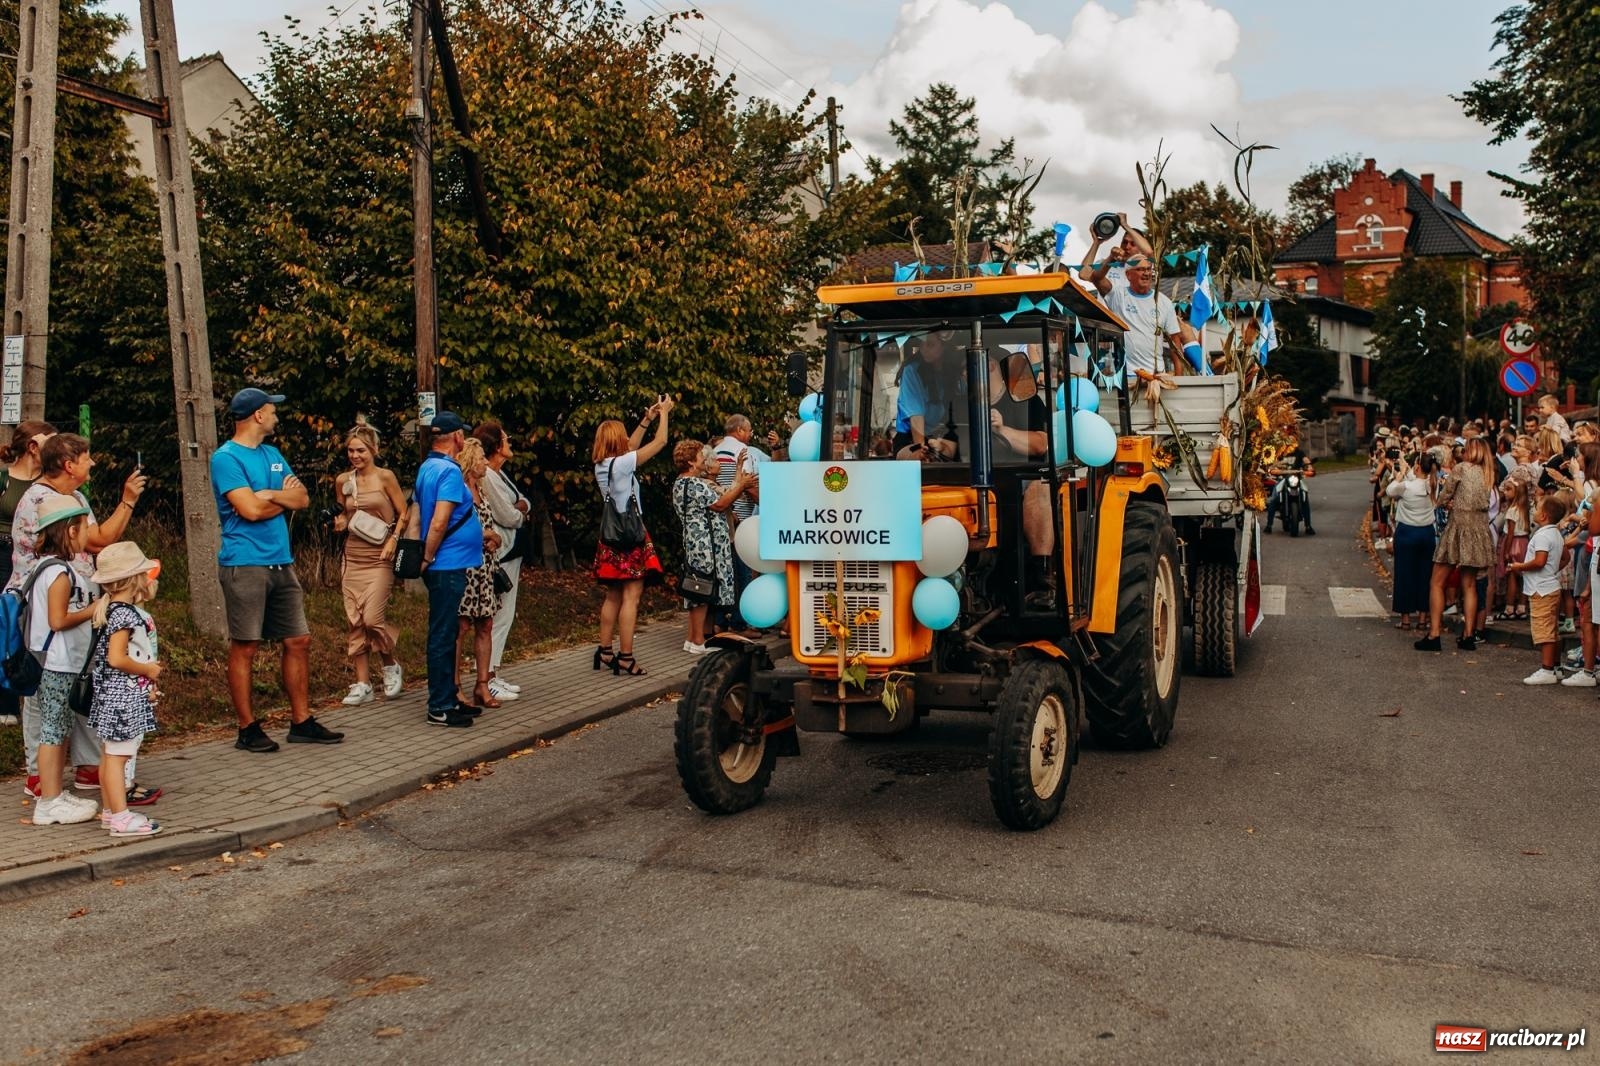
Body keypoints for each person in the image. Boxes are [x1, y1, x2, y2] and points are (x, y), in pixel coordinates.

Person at [11, 432, 148, 797]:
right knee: (45, 697)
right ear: (69, 465)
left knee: (83, 679)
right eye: (87, 457)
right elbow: (98, 539)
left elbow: (95, 536)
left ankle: (86, 767)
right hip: (50, 613)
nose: (92, 463)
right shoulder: (44, 500)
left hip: (77, 602)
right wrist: (128, 501)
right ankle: (41, 778)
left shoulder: (74, 496)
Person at [211, 387, 344, 752]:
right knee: (246, 645)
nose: (276, 415)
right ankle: (247, 728)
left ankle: (301, 721)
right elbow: (248, 511)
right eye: (272, 410)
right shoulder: (226, 458)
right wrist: (272, 499)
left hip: (280, 561)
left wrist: (267, 496)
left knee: (298, 639)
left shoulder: (272, 454)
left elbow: (301, 498)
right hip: (245, 562)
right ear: (257, 415)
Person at [24, 496, 100, 827]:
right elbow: (57, 620)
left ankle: (52, 794)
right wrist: (95, 610)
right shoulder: (57, 572)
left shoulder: (52, 568)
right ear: (70, 531)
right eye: (85, 527)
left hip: (60, 662)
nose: (88, 534)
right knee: (53, 730)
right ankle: (49, 801)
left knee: (59, 727)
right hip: (56, 663)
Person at [88, 541, 164, 837]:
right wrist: (148, 670)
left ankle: (110, 811)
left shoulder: (111, 610)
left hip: (110, 695)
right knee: (119, 758)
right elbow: (117, 658)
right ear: (134, 579)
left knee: (110, 756)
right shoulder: (127, 614)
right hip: (124, 698)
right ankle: (121, 817)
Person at [593, 397, 671, 676]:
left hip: (610, 537)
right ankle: (626, 656)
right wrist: (664, 415)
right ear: (617, 440)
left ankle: (604, 651)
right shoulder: (623, 464)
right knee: (631, 597)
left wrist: (645, 419)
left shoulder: (604, 464)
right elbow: (660, 443)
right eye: (623, 434)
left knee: (612, 594)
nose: (628, 436)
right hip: (631, 536)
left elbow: (630, 447)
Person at [414, 411, 483, 728]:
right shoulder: (449, 472)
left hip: (445, 562)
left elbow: (416, 513)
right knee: (443, 634)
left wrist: (419, 554)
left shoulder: (427, 467)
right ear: (456, 437)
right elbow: (440, 521)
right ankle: (439, 706)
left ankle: (451, 696)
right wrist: (427, 556)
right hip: (446, 563)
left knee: (449, 631)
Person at [332, 422, 406, 706]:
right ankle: (362, 683)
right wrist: (339, 523)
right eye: (350, 450)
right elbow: (343, 514)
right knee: (354, 620)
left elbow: (404, 513)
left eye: (360, 450)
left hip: (380, 556)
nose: (355, 455)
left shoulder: (385, 477)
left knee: (372, 619)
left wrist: (393, 540)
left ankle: (390, 665)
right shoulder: (343, 480)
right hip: (353, 556)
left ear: (373, 449)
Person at [1416, 438, 1497, 652]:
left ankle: (1434, 634)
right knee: (1469, 584)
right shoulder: (1488, 473)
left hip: (1459, 527)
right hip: (1479, 529)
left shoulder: (1461, 468)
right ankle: (1468, 635)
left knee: (1437, 581)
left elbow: (1444, 497)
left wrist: (1446, 502)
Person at [0, 419, 55, 726]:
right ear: (34, 446)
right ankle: (5, 700)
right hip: (2, 555)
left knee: (31, 626)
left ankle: (29, 691)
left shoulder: (49, 482)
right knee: (6, 625)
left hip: (34, 559)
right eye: (51, 440)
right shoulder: (4, 479)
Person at [672, 439, 748, 653]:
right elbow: (721, 503)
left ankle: (693, 639)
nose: (704, 459)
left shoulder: (680, 483)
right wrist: (741, 484)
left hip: (694, 541)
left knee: (699, 588)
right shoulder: (694, 484)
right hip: (705, 543)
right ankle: (697, 641)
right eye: (699, 456)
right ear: (690, 462)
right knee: (701, 590)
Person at [473, 422, 529, 703]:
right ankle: (488, 676)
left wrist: (520, 508)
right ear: (496, 446)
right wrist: (519, 512)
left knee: (504, 614)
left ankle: (494, 670)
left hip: (511, 549)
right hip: (501, 552)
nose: (510, 442)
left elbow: (523, 501)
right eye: (506, 439)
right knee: (498, 615)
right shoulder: (490, 478)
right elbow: (509, 515)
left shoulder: (500, 474)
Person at [454, 437, 504, 709]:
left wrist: (495, 538)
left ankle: (482, 684)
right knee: (461, 626)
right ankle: (455, 685)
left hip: (485, 567)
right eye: (483, 458)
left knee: (486, 624)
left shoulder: (481, 490)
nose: (486, 462)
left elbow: (489, 522)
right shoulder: (459, 489)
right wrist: (485, 534)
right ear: (470, 461)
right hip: (465, 566)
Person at [1084, 252, 1189, 380]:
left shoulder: (1164, 302)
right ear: (1128, 275)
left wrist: (1179, 379)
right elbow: (1096, 278)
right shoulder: (1117, 295)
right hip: (1126, 376)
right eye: (1140, 269)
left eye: (1148, 269)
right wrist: (1111, 257)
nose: (1146, 273)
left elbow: (1175, 344)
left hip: (1157, 377)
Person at [1509, 494, 1568, 684]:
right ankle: (1556, 666)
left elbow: (1540, 561)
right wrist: (1553, 570)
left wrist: (1520, 567)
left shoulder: (1542, 535)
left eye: (1538, 508)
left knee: (1544, 630)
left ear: (1544, 516)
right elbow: (1565, 557)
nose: (1534, 510)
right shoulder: (1556, 534)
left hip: (1541, 589)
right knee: (1552, 628)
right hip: (1551, 585)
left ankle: (1547, 669)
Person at [1386, 452, 1437, 631]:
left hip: (1407, 532)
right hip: (1427, 533)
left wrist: (1399, 475)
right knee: (1425, 575)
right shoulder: (1433, 485)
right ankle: (1423, 618)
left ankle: (1406, 618)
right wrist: (1405, 466)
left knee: (1404, 575)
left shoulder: (1406, 486)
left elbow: (1390, 490)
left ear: (1417, 467)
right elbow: (1418, 481)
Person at [893, 332, 963, 458]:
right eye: (921, 344)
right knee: (919, 458)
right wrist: (921, 451)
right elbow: (916, 417)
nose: (923, 348)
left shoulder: (955, 374)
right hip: (911, 438)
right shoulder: (912, 371)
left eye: (930, 345)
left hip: (941, 437)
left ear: (944, 347)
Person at [1264, 442, 1316, 535]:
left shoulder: (1299, 453)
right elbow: (1273, 465)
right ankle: (1269, 525)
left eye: (1293, 441)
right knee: (1274, 498)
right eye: (1289, 440)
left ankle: (1308, 526)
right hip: (1283, 479)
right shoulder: (1280, 453)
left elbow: (1307, 461)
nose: (1291, 443)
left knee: (1304, 496)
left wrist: (1310, 468)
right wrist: (1273, 469)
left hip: (1297, 479)